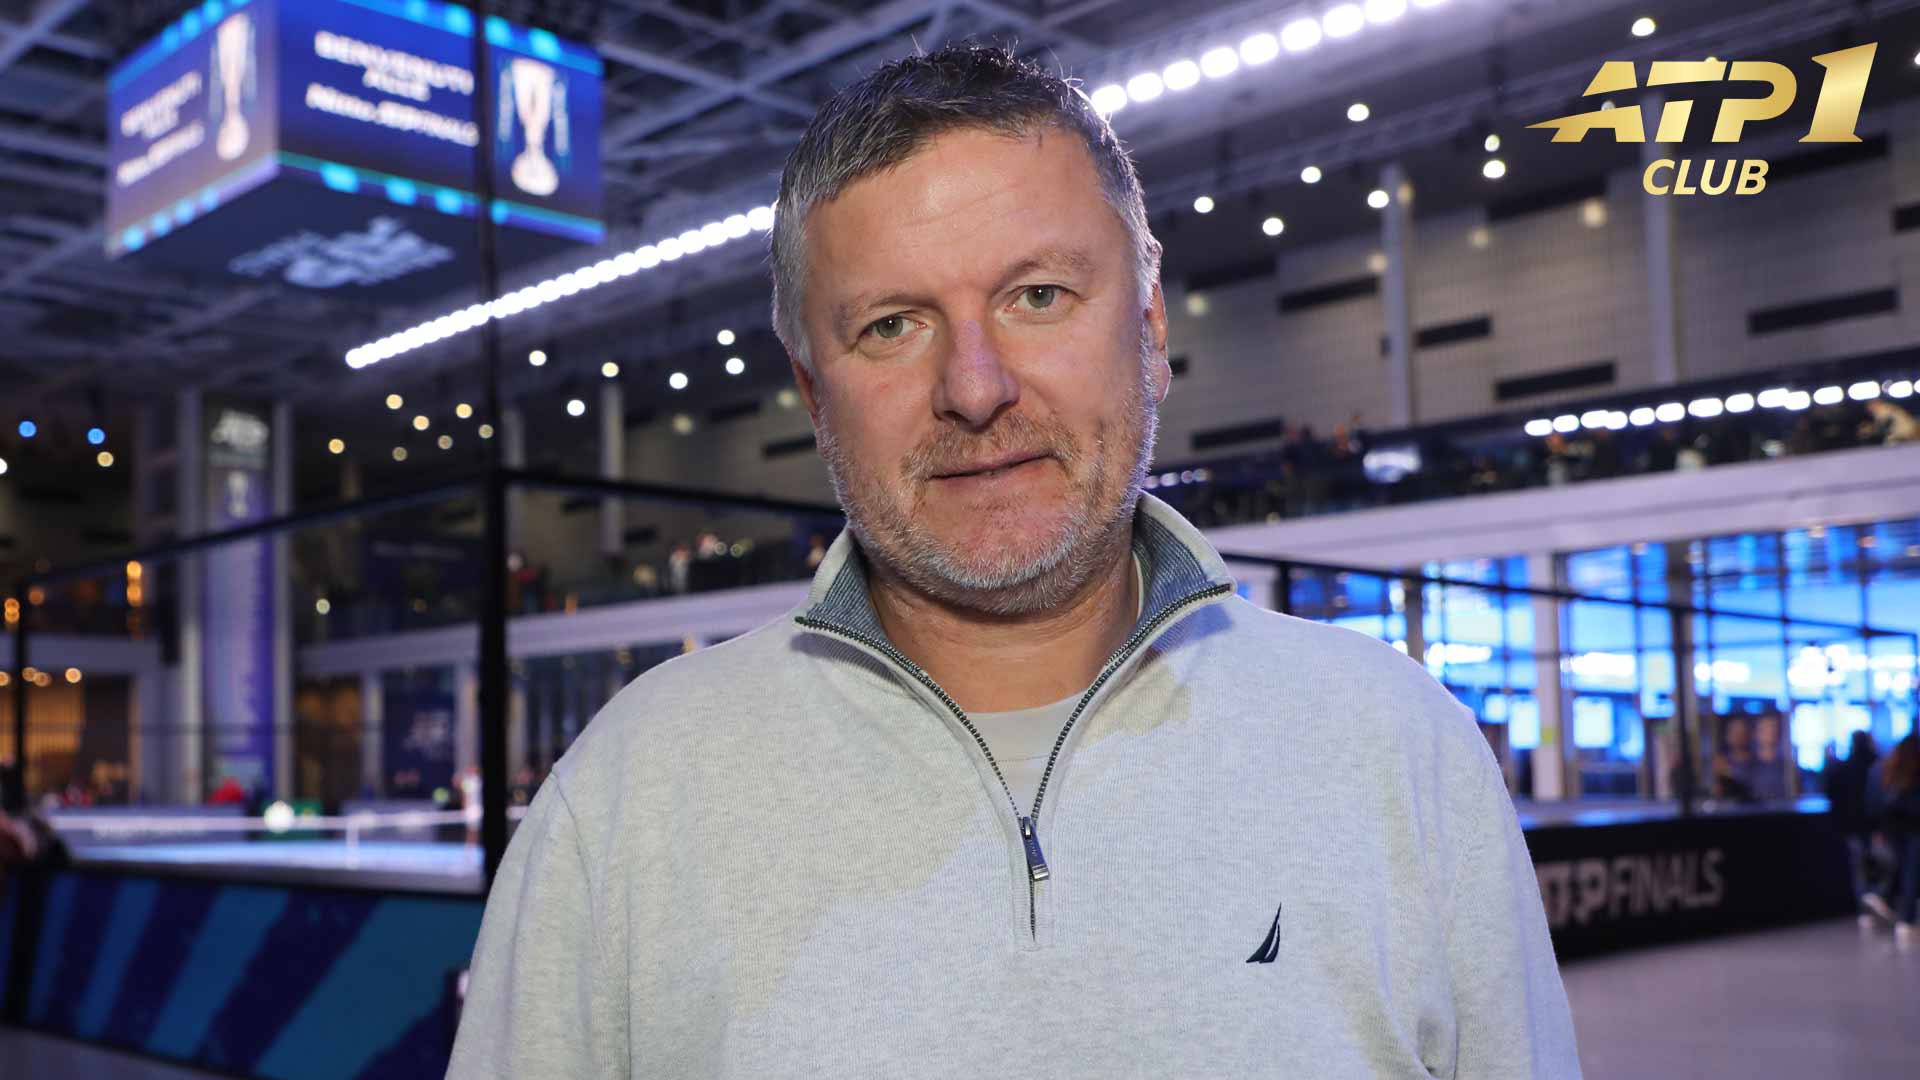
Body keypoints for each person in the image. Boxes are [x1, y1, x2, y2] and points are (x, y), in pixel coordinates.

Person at [450, 45, 1578, 1078]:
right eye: (891, 325)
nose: (976, 388)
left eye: (1038, 296)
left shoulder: (1399, 750)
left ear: (1149, 331)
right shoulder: (630, 795)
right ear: (814, 394)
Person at [1863, 733, 1920, 947]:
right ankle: (1905, 918)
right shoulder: (1912, 771)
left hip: (1893, 830)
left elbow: (1875, 802)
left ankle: (1884, 896)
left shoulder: (1886, 769)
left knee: (1904, 870)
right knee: (1910, 873)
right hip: (1913, 829)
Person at [1825, 730, 1881, 923]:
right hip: (1873, 826)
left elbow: (1831, 795)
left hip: (1853, 827)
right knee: (1877, 865)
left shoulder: (1843, 768)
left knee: (1861, 868)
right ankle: (1876, 901)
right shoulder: (1875, 766)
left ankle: (1867, 909)